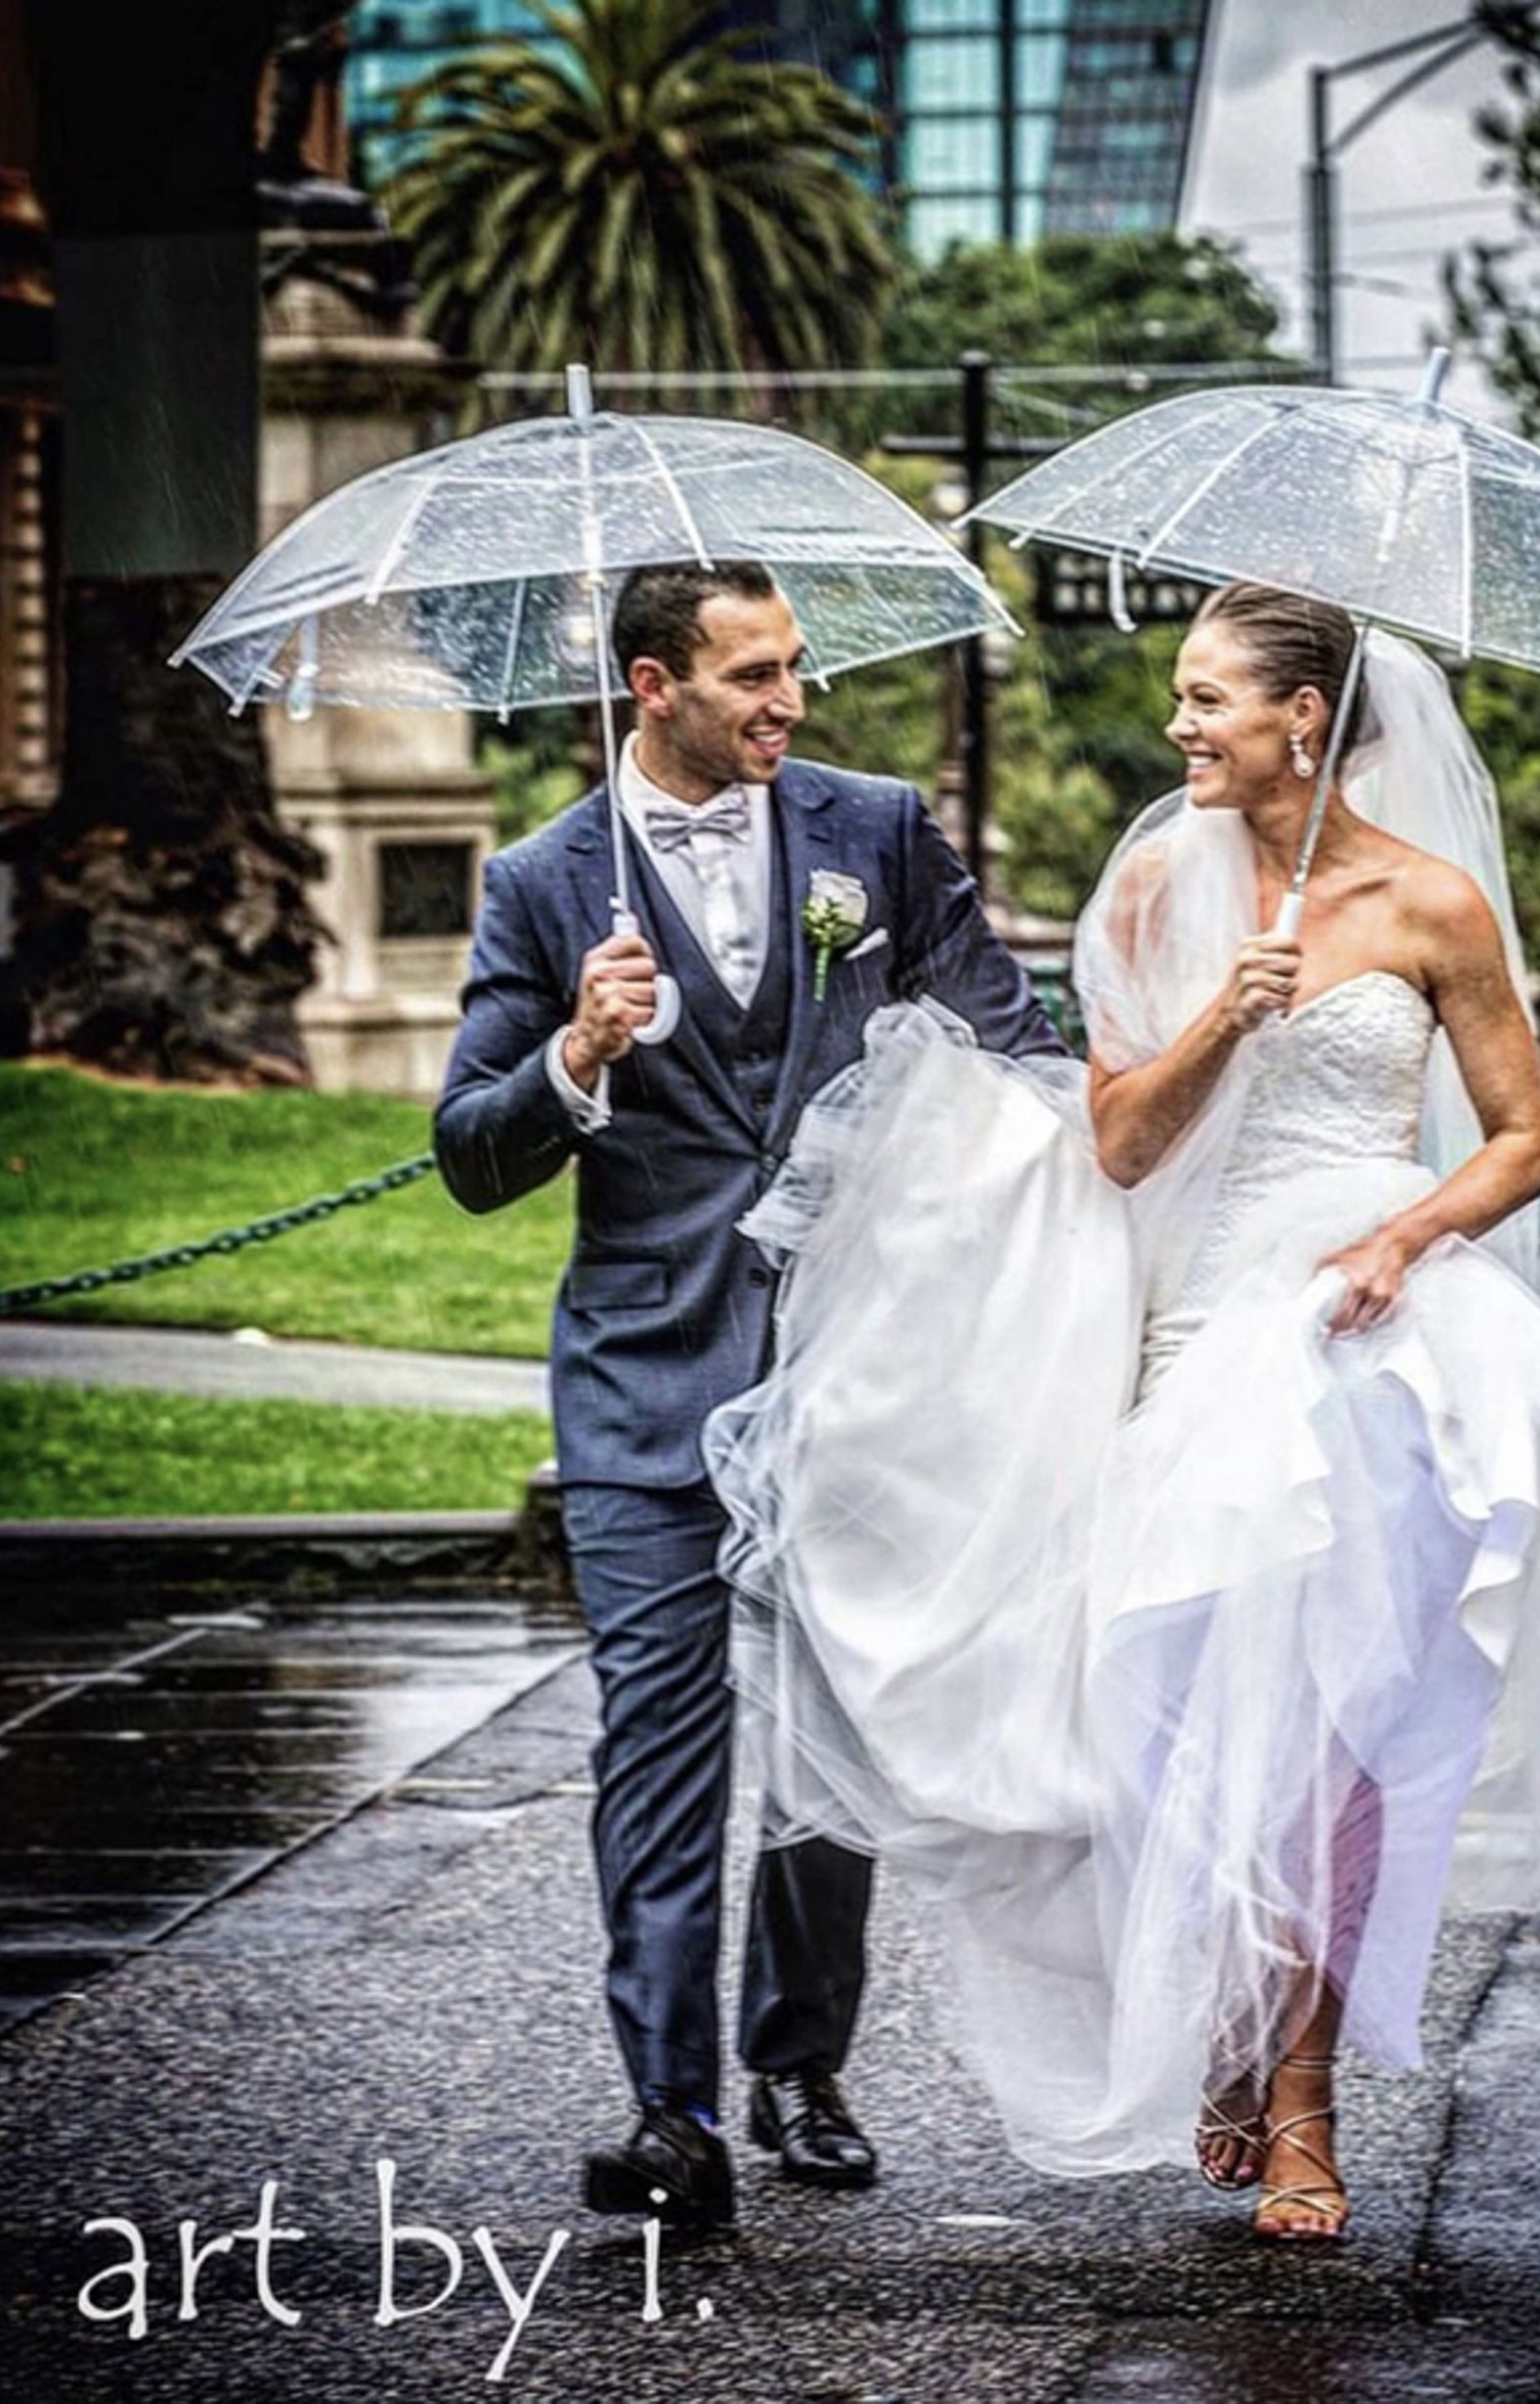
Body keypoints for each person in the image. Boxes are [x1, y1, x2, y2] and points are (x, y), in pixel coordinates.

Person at [706, 583, 1540, 2243]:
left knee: (1344, 1725)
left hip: (1389, 1337)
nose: (1182, 723)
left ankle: (1304, 2093)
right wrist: (1227, 1012)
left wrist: (1401, 1234)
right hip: (1211, 1324)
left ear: (1305, 715)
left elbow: (1521, 1137)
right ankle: (1226, 2028)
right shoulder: (1157, 884)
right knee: (1174, 1716)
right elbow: (1123, 1144)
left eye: (1210, 696)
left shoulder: (1433, 902)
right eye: (1181, 693)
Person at [434, 559, 1065, 2236]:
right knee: (660, 1745)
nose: (790, 701)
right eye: (750, 677)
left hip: (855, 1371)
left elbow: (1016, 1039)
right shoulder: (543, 881)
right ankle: (674, 2112)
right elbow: (467, 1152)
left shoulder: (875, 827)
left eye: (794, 668)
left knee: (823, 1739)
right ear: (651, 686)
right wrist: (576, 1053)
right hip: (645, 1381)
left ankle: (802, 2065)